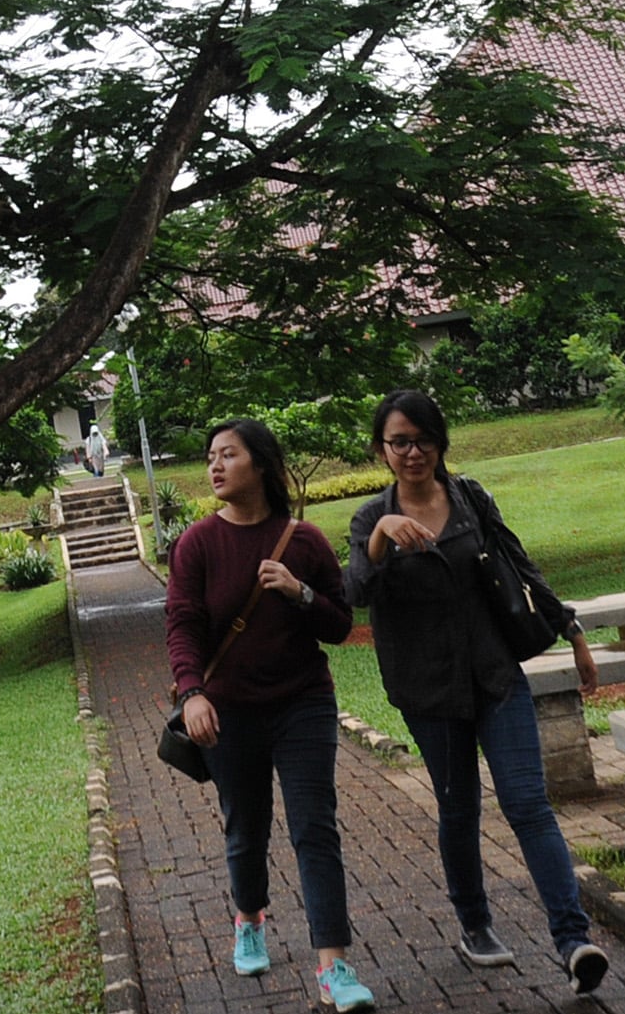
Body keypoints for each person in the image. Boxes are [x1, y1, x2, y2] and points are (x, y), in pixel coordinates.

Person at [343, 389, 613, 996]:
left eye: (424, 439)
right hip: (427, 687)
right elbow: (356, 591)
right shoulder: (369, 518)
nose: (413, 452)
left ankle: (573, 940)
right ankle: (475, 924)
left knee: (527, 802)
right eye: (399, 441)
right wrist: (384, 534)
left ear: (440, 442)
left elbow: (518, 563)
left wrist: (570, 629)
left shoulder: (469, 498)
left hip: (493, 675)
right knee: (459, 806)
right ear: (382, 449)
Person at [166, 418, 374, 1011]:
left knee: (315, 826)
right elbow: (181, 624)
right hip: (228, 710)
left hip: (302, 702)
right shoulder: (197, 544)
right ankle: (249, 917)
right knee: (247, 824)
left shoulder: (301, 541)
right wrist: (191, 693)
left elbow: (339, 624)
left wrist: (298, 591)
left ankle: (334, 965)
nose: (214, 466)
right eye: (211, 456)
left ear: (260, 464)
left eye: (228, 455)